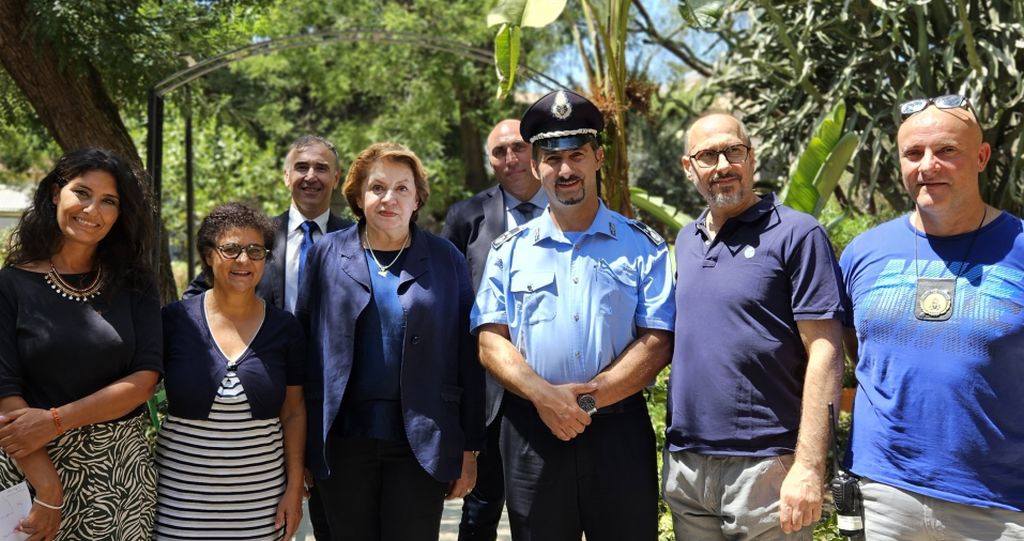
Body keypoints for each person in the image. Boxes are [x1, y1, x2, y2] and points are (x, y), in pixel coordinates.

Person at [471, 89, 675, 541]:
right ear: (537, 166)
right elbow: (489, 339)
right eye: (552, 158)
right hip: (532, 433)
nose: (565, 170)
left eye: (577, 155)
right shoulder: (508, 253)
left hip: (617, 431)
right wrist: (544, 397)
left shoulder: (643, 246)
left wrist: (585, 401)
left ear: (598, 158)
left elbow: (659, 339)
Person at [839, 95, 1024, 539]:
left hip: (999, 504)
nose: (927, 166)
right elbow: (856, 351)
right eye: (913, 153)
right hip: (884, 494)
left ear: (981, 157)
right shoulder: (864, 253)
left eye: (946, 151)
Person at [662, 112, 845, 540]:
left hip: (767, 468)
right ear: (689, 168)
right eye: (707, 155)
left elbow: (826, 351)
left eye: (733, 151)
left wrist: (808, 466)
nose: (722, 164)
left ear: (752, 158)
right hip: (687, 466)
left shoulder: (798, 234)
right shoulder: (687, 240)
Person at [298, 142, 484, 541]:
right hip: (343, 442)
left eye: (402, 188)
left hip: (422, 440)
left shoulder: (446, 258)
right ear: (358, 196)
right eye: (377, 187)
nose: (389, 198)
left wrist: (468, 448)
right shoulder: (325, 254)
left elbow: (467, 357)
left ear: (418, 198)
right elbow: (305, 350)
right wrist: (303, 445)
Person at [183, 134, 349, 539]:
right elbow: (199, 297)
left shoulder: (355, 240)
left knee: (337, 522)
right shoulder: (254, 238)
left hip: (335, 407)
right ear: (286, 175)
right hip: (263, 399)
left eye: (322, 168)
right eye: (302, 167)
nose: (311, 176)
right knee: (272, 519)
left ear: (337, 177)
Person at [0, 148, 162, 540]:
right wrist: (50, 490)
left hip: (118, 475)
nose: (93, 210)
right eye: (82, 193)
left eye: (109, 201)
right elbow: (4, 390)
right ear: (56, 193)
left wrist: (55, 420)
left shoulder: (135, 284)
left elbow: (144, 380)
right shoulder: (10, 285)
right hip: (29, 470)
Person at [154, 202, 306, 540]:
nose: (243, 260)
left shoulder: (286, 328)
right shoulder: (174, 322)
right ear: (209, 255)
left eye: (255, 251)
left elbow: (294, 412)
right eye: (231, 249)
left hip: (260, 509)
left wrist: (294, 489)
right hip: (181, 507)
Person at [441, 118, 546, 541]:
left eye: (518, 147)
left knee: (543, 507)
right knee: (482, 507)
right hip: (487, 392)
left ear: (535, 151)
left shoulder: (571, 207)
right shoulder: (466, 217)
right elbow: (446, 303)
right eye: (499, 152)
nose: (511, 159)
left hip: (555, 385)